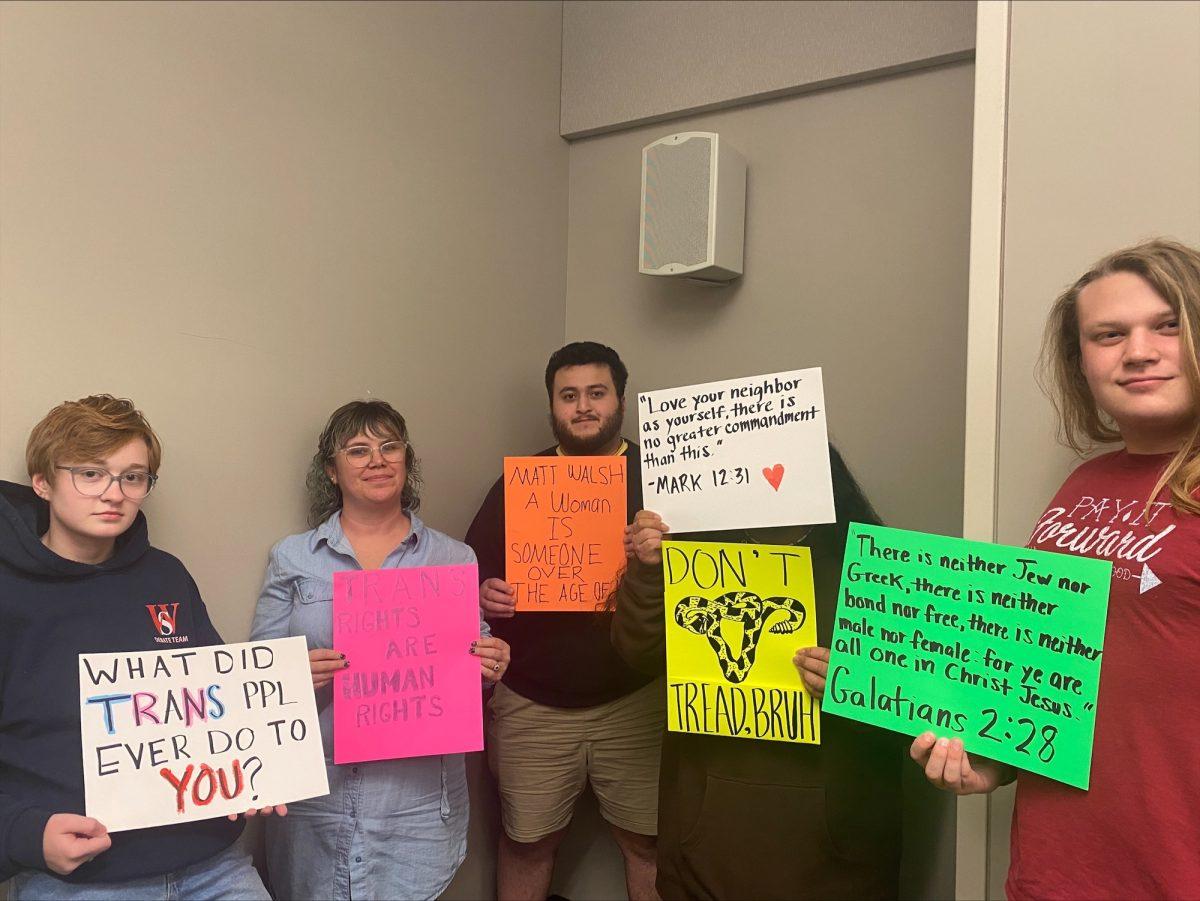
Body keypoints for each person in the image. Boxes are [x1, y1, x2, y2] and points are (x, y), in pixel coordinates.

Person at [911, 238, 1200, 898]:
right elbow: (1060, 673)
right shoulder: (1085, 481)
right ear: (1082, 361)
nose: (1138, 351)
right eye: (1108, 334)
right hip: (1055, 870)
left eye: (1168, 324)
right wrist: (996, 756)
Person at [0, 395, 278, 900]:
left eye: (133, 477)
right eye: (90, 473)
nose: (113, 493)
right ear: (43, 483)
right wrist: (25, 835)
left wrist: (257, 765)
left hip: (211, 861)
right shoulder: (8, 593)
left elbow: (216, 702)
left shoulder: (165, 574)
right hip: (82, 879)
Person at [617, 444, 905, 900]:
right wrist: (649, 572)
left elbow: (920, 700)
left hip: (835, 854)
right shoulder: (696, 555)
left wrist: (859, 683)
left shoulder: (871, 567)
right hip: (706, 845)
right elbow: (639, 651)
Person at [250, 399, 509, 901]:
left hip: (414, 801)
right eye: (359, 449)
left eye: (390, 446)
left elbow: (469, 664)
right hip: (317, 795)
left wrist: (490, 663)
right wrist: (291, 673)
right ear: (332, 469)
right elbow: (258, 673)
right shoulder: (293, 557)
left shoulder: (453, 557)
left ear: (407, 460)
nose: (378, 459)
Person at [464, 341, 662, 900]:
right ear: (552, 405)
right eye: (568, 395)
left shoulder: (659, 481)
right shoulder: (518, 484)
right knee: (526, 843)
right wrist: (485, 594)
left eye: (596, 393)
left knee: (647, 842)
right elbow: (467, 580)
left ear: (620, 400)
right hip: (531, 703)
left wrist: (659, 558)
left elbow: (705, 591)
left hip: (635, 697)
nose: (582, 407)